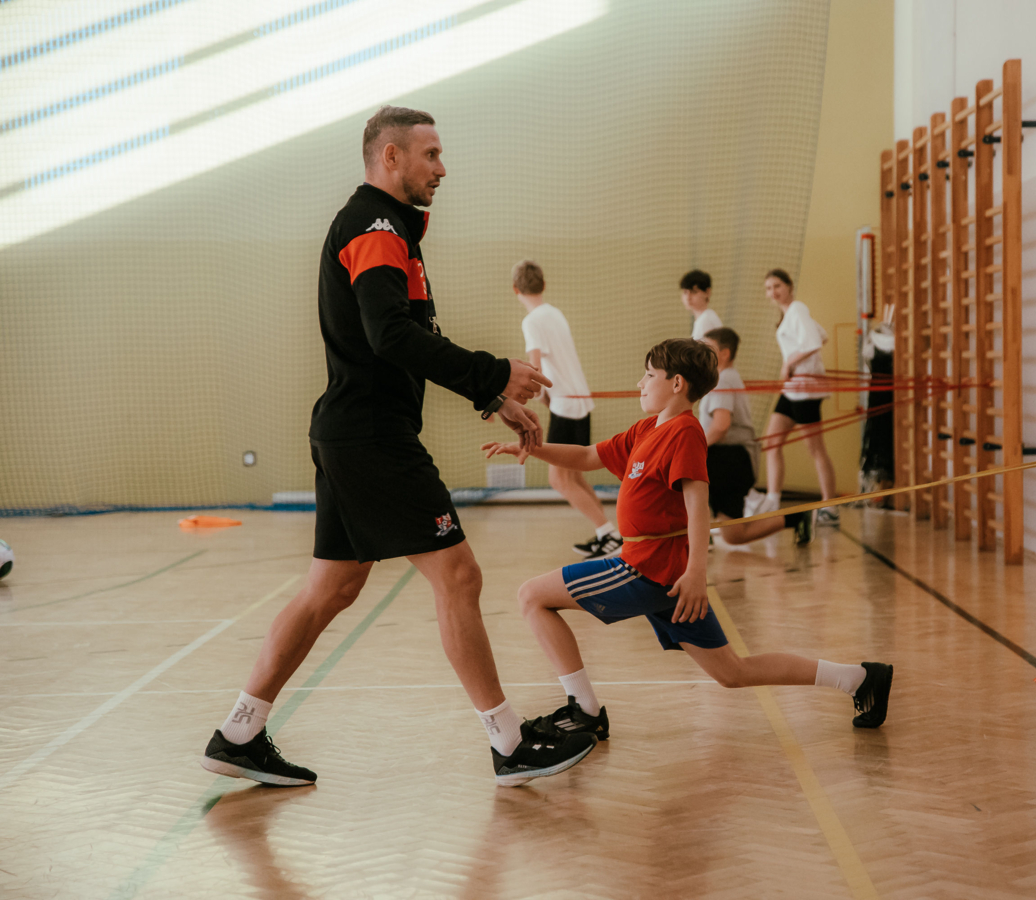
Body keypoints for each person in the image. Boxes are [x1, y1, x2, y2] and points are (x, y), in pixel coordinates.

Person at [199, 106, 597, 790]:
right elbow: (390, 336)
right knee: (459, 576)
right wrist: (493, 373)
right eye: (430, 154)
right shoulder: (376, 229)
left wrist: (487, 396)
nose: (442, 168)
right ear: (391, 157)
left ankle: (238, 732)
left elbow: (412, 335)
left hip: (351, 432)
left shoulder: (390, 229)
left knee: (331, 588)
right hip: (372, 437)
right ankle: (507, 743)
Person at [481, 339, 892, 740]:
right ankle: (859, 679)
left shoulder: (685, 432)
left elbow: (698, 506)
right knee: (732, 672)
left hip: (646, 570)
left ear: (676, 383)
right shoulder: (647, 428)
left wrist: (697, 572)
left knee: (532, 596)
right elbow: (589, 456)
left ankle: (584, 712)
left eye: (649, 375)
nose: (641, 383)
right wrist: (531, 448)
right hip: (669, 578)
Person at [512, 259, 621, 559]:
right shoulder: (555, 313)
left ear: (515, 289)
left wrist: (530, 398)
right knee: (574, 475)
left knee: (559, 479)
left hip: (565, 405)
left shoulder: (531, 321)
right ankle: (608, 534)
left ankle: (609, 534)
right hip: (580, 402)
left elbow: (534, 368)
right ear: (543, 285)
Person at [700, 327, 813, 546]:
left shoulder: (722, 380)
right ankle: (797, 518)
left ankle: (690, 538)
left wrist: (693, 446)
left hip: (729, 460)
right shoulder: (727, 377)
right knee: (734, 535)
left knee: (679, 475)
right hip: (735, 461)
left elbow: (721, 426)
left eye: (708, 349)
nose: (702, 354)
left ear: (724, 353)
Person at [759, 269, 837, 523]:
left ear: (789, 286)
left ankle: (830, 507)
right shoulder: (790, 314)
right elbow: (822, 335)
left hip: (805, 390)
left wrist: (789, 363)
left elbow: (814, 342)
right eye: (769, 288)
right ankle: (772, 500)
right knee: (772, 443)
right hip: (792, 389)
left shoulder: (798, 309)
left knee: (815, 449)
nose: (773, 292)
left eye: (777, 286)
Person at [680, 269, 722, 340]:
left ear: (707, 292)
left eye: (694, 292)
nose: (688, 297)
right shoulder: (705, 318)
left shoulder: (706, 320)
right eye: (685, 292)